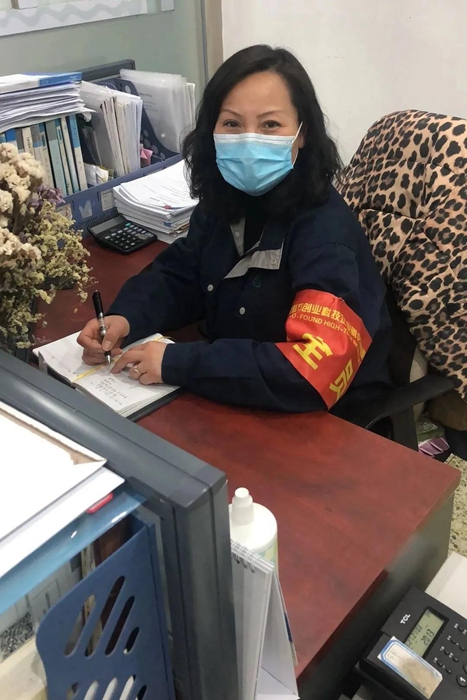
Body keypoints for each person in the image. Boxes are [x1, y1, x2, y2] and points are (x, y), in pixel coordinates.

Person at [78, 45, 392, 417]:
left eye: (270, 125)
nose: (248, 139)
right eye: (231, 124)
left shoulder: (325, 233)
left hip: (323, 416)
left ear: (303, 133)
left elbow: (314, 366)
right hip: (237, 387)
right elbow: (182, 275)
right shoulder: (225, 198)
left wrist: (179, 362)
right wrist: (126, 318)